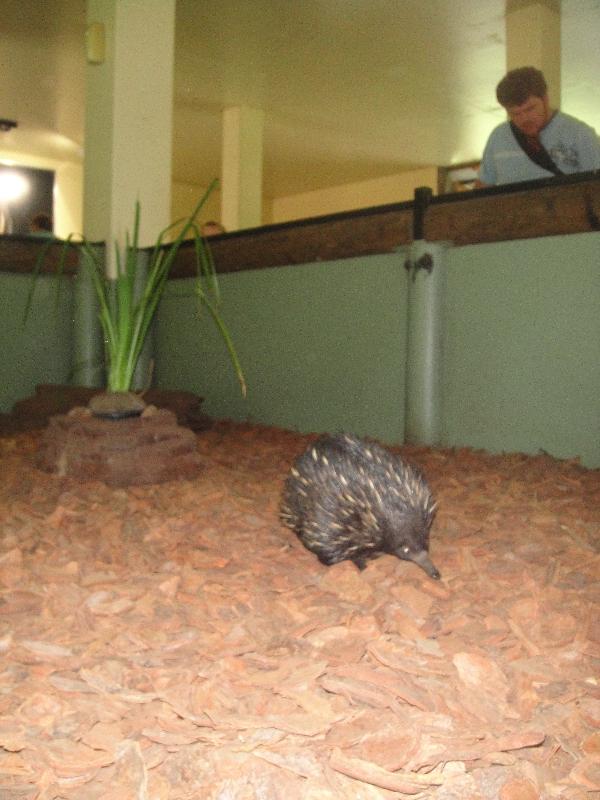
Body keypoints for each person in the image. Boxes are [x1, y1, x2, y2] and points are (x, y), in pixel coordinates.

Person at [478, 66, 600, 186]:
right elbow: (482, 188)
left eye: (530, 109)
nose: (524, 119)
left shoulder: (580, 135)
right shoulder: (498, 137)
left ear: (545, 99)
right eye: (515, 113)